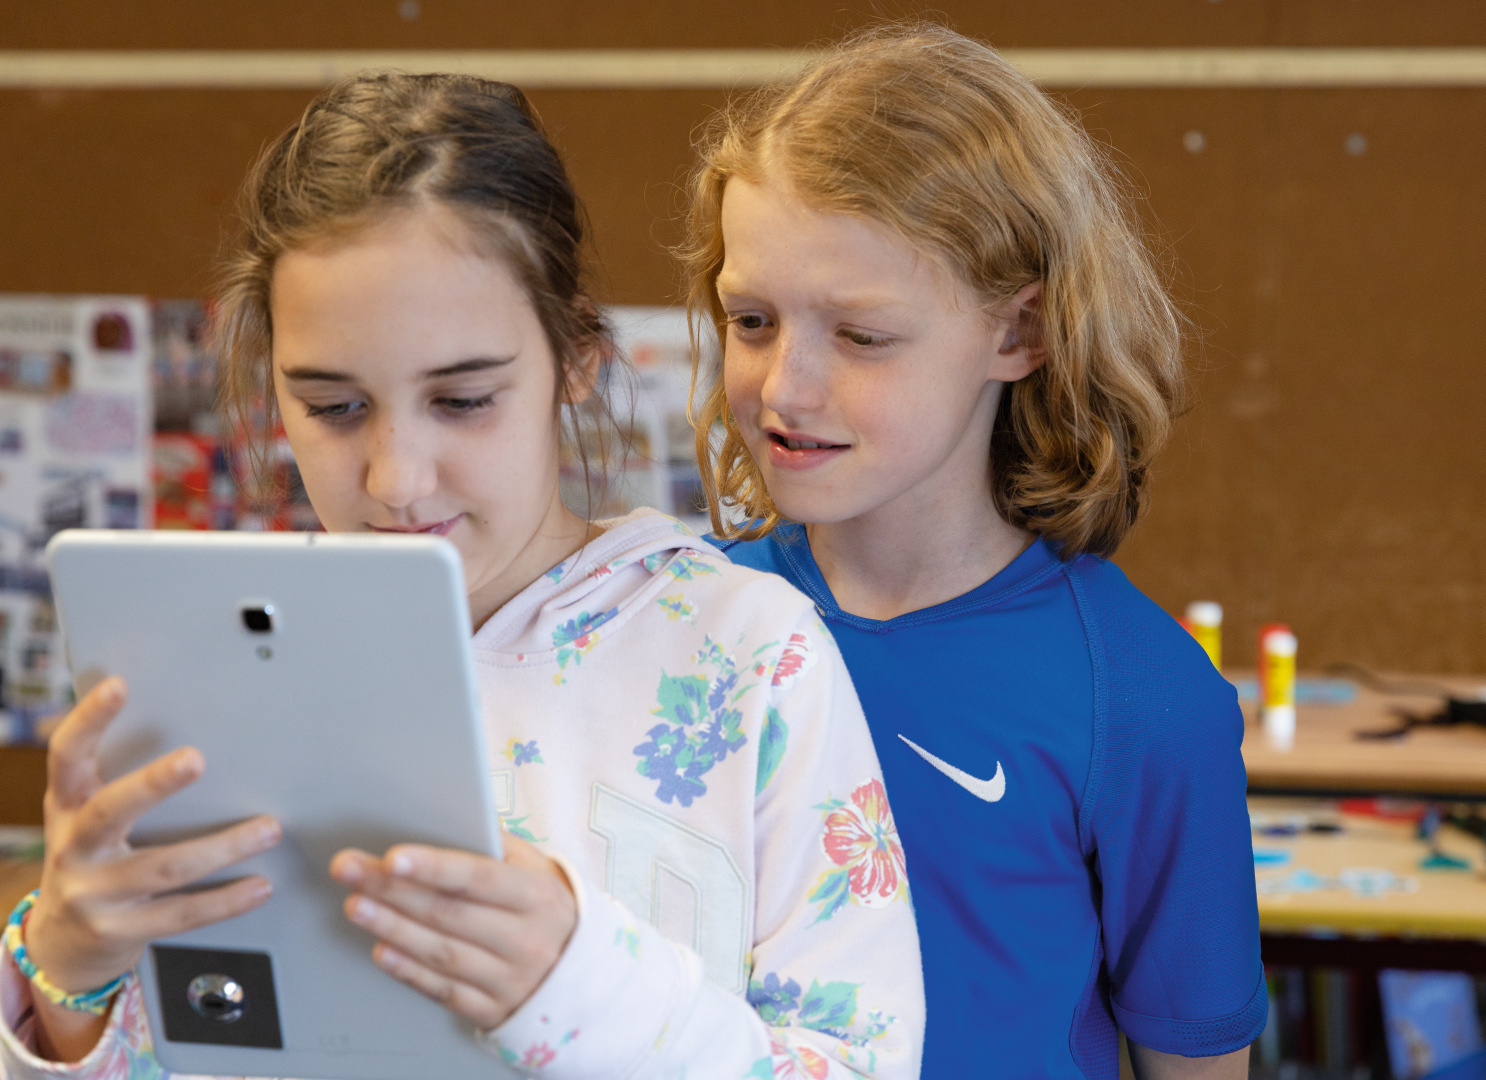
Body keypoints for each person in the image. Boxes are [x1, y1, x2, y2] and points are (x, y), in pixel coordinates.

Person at [1, 72, 922, 1080]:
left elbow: (862, 1064)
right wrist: (66, 985)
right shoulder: (202, 667)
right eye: (335, 408)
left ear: (576, 358)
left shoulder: (749, 651)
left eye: (465, 399)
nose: (397, 479)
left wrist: (571, 985)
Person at [682, 23, 1263, 1080]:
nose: (787, 386)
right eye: (753, 320)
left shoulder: (1138, 696)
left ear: (1019, 334)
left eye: (861, 336)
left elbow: (1198, 1060)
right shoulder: (682, 624)